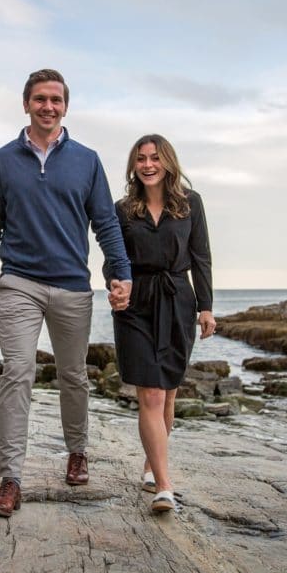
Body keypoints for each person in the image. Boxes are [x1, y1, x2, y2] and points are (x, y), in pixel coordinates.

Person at [0, 69, 133, 518]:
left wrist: (121, 275)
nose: (48, 106)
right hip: (19, 281)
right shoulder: (4, 160)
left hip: (72, 286)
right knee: (18, 371)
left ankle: (77, 451)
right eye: (40, 99)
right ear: (26, 104)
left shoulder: (87, 160)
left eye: (56, 100)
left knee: (74, 375)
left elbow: (106, 224)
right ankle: (10, 480)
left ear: (65, 107)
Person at [105, 134, 215, 513]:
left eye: (154, 158)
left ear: (167, 161)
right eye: (141, 159)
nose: (148, 165)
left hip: (177, 300)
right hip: (135, 302)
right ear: (133, 166)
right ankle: (164, 487)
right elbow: (112, 258)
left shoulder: (190, 203)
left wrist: (206, 307)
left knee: (167, 392)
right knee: (150, 394)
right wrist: (115, 286)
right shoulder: (122, 210)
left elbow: (201, 256)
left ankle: (153, 463)